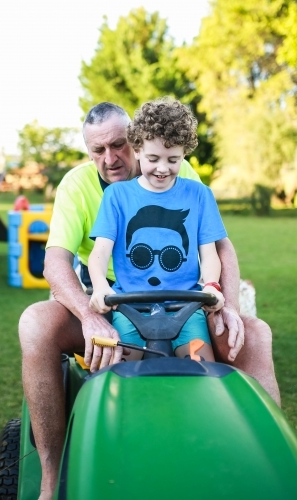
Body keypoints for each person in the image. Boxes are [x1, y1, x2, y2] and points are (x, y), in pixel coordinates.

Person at [18, 101, 280, 500]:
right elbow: (56, 262)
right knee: (35, 324)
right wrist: (90, 315)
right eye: (98, 150)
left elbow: (220, 247)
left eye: (119, 145)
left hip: (187, 295)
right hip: (104, 296)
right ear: (89, 152)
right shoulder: (80, 185)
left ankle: (267, 469)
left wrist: (227, 305)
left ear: (136, 141)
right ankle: (53, 478)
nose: (111, 158)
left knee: (255, 334)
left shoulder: (177, 172)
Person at [88, 97, 226, 362]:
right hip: (129, 308)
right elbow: (100, 251)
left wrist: (211, 286)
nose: (163, 169)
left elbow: (209, 253)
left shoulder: (199, 195)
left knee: (201, 369)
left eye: (173, 159)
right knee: (121, 373)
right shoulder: (117, 196)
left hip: (186, 309)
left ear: (184, 153)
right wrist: (99, 287)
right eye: (153, 158)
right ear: (137, 149)